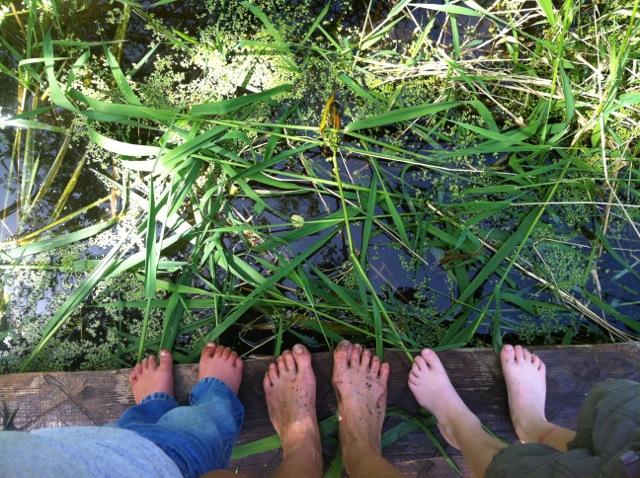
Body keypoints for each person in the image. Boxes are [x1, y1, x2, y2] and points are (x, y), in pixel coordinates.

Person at [0, 342, 245, 478]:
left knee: (126, 433)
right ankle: (215, 395)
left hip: (73, 457)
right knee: (205, 430)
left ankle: (154, 405)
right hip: (162, 467)